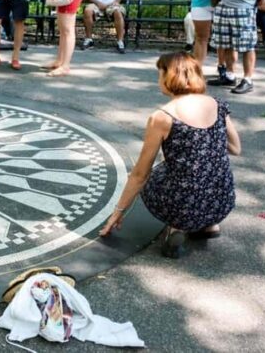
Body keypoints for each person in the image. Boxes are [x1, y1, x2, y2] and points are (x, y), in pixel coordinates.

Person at [99, 52, 241, 259]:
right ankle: (209, 225)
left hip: (182, 204)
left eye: (159, 74)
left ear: (168, 77)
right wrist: (207, 141)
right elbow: (236, 148)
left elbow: (140, 174)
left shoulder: (163, 117)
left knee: (157, 173)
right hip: (222, 200)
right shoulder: (217, 104)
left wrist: (118, 212)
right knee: (202, 171)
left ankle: (177, 228)